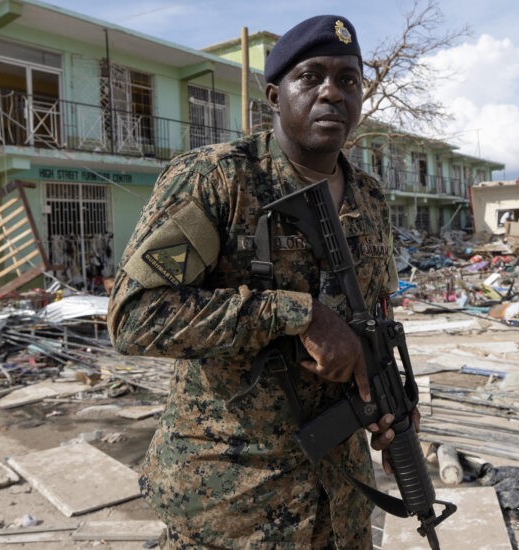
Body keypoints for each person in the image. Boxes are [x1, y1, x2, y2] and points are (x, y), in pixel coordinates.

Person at [107, 14, 403, 549]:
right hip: (232, 505)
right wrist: (299, 315)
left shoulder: (371, 197)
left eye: (348, 80)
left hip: (342, 506)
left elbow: (378, 316)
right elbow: (135, 317)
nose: (333, 93)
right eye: (311, 77)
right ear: (273, 95)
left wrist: (389, 399)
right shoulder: (219, 179)